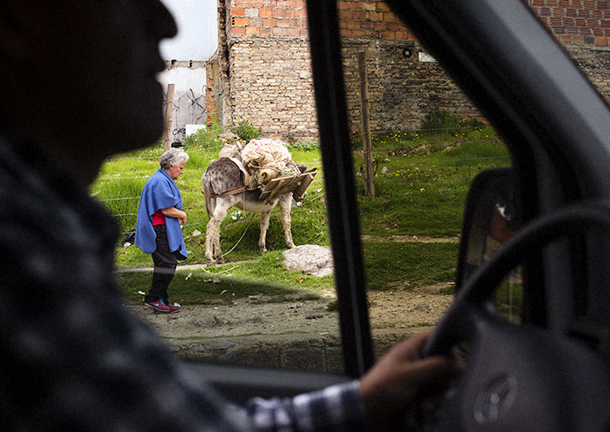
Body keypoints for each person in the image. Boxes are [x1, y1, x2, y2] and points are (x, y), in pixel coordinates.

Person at [0, 1, 458, 430]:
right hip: (164, 234)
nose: (167, 23)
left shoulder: (53, 233)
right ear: (18, 22)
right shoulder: (22, 257)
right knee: (165, 268)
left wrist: (364, 398)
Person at [135, 148, 189, 313]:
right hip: (157, 229)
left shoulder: (161, 178)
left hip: (161, 227)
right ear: (171, 165)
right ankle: (153, 298)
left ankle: (162, 301)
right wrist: (181, 214)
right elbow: (166, 209)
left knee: (163, 263)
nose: (182, 171)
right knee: (168, 263)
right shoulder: (160, 180)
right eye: (180, 167)